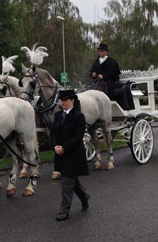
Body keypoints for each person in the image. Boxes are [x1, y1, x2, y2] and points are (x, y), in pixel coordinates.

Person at [50, 89, 90, 221]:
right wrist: (55, 146)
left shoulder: (79, 116)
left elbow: (78, 137)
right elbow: (53, 133)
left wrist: (64, 148)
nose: (63, 103)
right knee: (72, 181)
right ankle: (84, 197)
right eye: (62, 101)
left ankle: (64, 210)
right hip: (60, 154)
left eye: (66, 100)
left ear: (72, 100)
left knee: (67, 182)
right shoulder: (57, 115)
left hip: (74, 155)